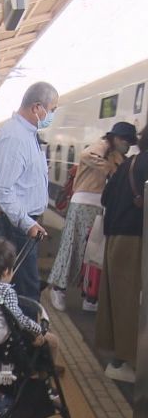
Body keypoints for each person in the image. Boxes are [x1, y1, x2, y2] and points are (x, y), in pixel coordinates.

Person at [0, 82, 59, 301]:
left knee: (20, 287)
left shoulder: (26, 134)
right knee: (24, 289)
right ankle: (25, 335)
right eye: (51, 109)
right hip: (12, 224)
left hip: (15, 222)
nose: (52, 114)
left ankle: (22, 332)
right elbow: (1, 188)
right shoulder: (15, 137)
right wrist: (28, 223)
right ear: (36, 108)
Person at [47, 122, 137, 312]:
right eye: (126, 141)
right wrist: (108, 167)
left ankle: (90, 295)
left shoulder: (117, 155)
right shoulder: (102, 145)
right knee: (72, 247)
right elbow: (85, 155)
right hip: (82, 204)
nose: (127, 145)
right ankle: (58, 289)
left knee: (91, 253)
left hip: (99, 206)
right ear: (116, 138)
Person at [96, 124, 148, 384]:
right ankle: (124, 361)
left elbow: (105, 198)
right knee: (130, 303)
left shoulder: (131, 163)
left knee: (116, 299)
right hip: (136, 240)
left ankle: (118, 358)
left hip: (116, 237)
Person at [0, 236, 60, 361]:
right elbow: (19, 319)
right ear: (6, 272)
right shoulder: (6, 291)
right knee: (53, 341)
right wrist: (39, 330)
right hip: (3, 343)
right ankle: (41, 375)